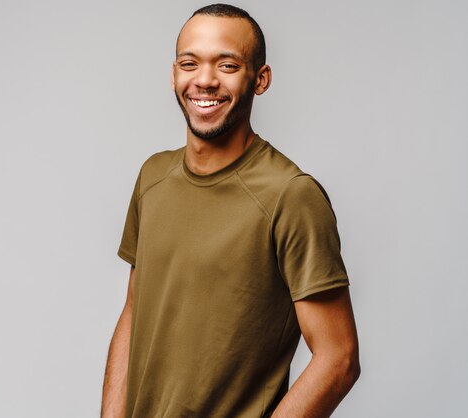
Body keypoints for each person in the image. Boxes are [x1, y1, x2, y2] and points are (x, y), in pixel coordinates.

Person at [101, 4, 360, 418]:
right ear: (174, 74)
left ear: (260, 79)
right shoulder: (152, 177)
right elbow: (134, 311)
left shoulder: (291, 196)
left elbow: (339, 359)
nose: (204, 80)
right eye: (190, 63)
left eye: (227, 65)